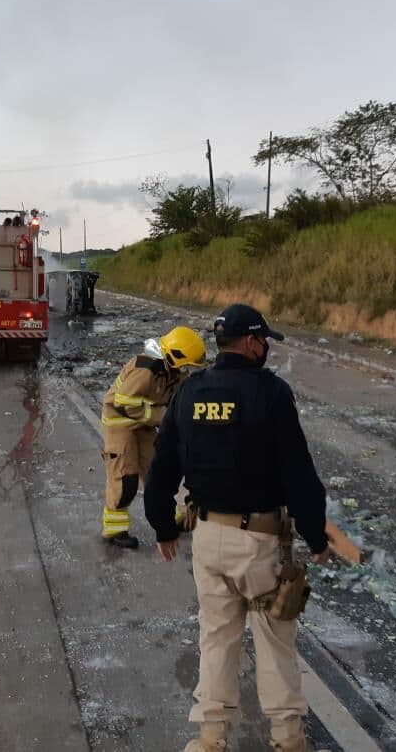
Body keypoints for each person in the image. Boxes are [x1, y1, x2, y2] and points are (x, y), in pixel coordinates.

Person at [144, 304, 329, 752]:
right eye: (264, 340)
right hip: (261, 543)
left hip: (207, 538)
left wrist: (163, 527)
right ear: (250, 343)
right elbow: (297, 471)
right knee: (275, 644)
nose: (266, 348)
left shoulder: (190, 392)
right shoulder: (272, 393)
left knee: (216, 640)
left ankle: (209, 739)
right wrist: (315, 533)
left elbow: (162, 465)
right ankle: (287, 739)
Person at [100, 326, 207, 549]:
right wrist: (161, 417)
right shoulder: (146, 369)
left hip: (144, 424)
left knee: (158, 472)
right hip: (120, 423)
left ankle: (170, 516)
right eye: (187, 365)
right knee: (125, 477)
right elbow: (123, 403)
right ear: (174, 356)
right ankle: (114, 529)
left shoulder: (172, 372)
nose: (188, 371)